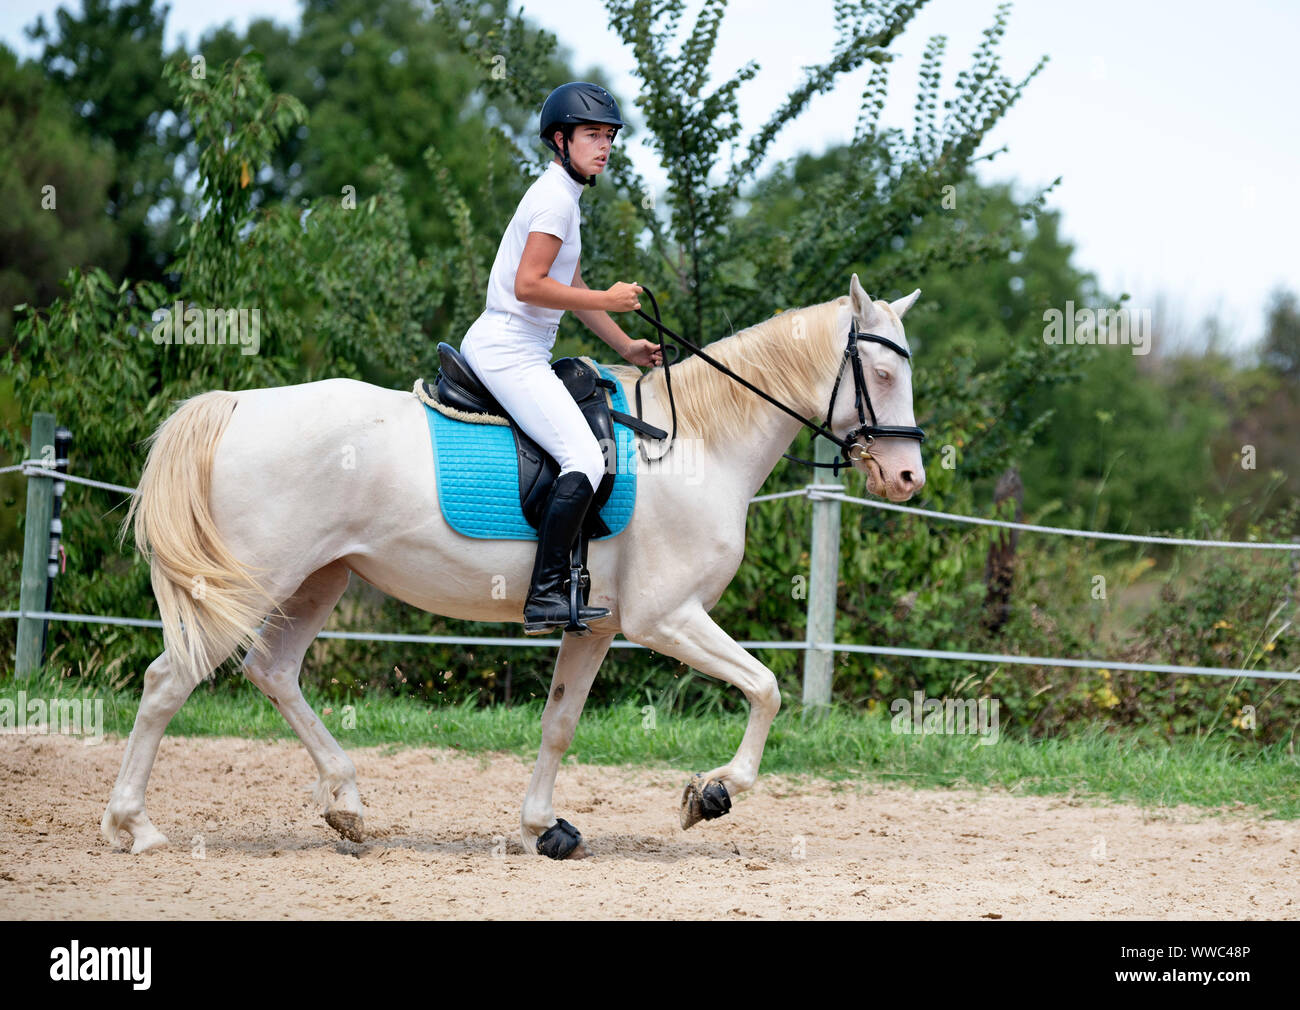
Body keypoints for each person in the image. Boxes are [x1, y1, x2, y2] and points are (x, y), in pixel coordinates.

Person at [459, 81, 663, 635]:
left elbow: (567, 282)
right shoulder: (553, 199)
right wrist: (606, 298)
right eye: (592, 135)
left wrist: (624, 345)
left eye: (609, 136)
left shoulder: (564, 198)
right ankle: (544, 594)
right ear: (560, 139)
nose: (604, 145)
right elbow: (529, 285)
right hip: (508, 349)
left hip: (520, 347)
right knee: (586, 457)